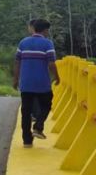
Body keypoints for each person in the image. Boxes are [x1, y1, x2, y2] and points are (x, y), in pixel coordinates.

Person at [12, 18, 60, 146]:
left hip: (26, 83)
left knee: (26, 112)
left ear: (34, 28)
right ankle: (38, 127)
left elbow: (17, 62)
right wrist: (57, 77)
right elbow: (51, 63)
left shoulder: (23, 42)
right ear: (45, 30)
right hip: (42, 83)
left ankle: (27, 141)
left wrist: (15, 79)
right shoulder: (47, 44)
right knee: (46, 105)